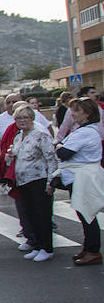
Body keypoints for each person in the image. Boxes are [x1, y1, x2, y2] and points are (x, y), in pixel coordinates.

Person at [8, 103, 58, 262]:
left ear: (32, 118)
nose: (22, 121)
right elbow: (17, 152)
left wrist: (51, 182)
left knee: (42, 215)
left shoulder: (41, 134)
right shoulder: (19, 135)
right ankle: (37, 245)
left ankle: (47, 248)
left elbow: (51, 159)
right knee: (31, 215)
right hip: (24, 181)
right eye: (18, 118)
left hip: (39, 179)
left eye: (25, 117)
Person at [59, 98, 104, 266]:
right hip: (80, 176)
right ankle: (89, 248)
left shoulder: (86, 132)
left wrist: (58, 147)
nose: (72, 114)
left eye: (76, 111)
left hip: (82, 177)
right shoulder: (84, 130)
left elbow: (64, 153)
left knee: (87, 215)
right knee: (85, 214)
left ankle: (93, 251)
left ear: (87, 114)